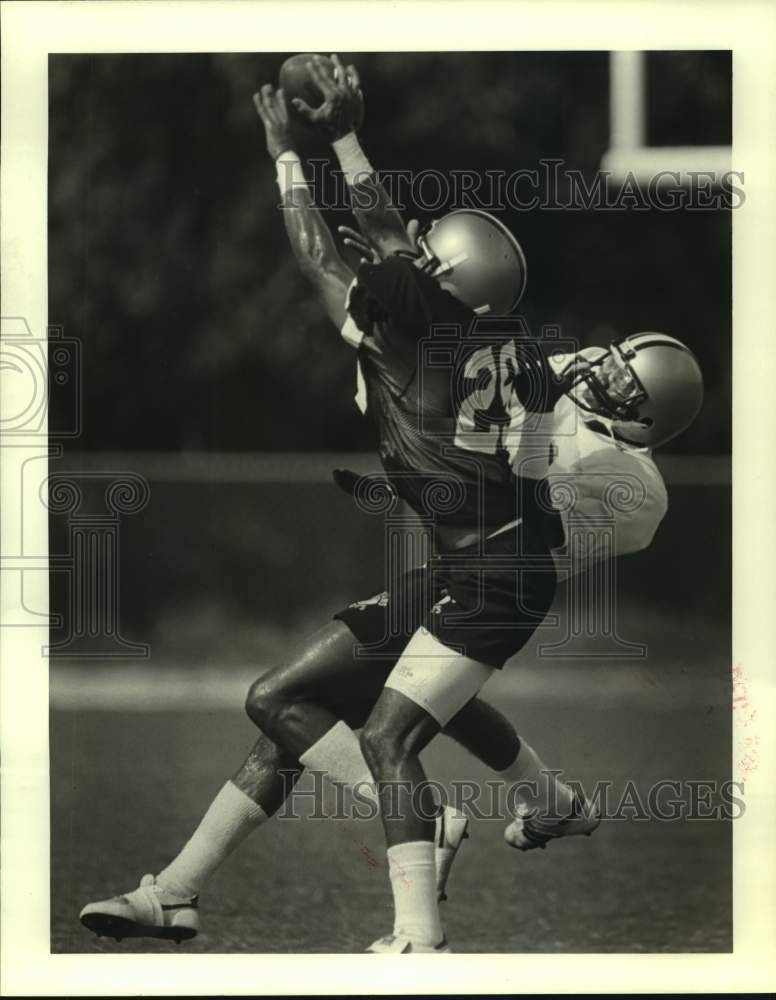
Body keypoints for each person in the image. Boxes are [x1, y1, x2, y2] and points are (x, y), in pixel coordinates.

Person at [79, 57, 702, 954]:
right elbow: (349, 256)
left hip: (502, 571)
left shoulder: (460, 368)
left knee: (383, 731)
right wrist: (309, 155)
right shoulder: (493, 353)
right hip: (471, 559)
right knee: (287, 700)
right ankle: (176, 891)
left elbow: (335, 252)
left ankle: (421, 927)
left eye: (419, 253)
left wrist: (322, 144)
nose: (397, 246)